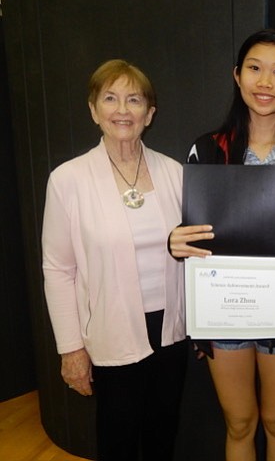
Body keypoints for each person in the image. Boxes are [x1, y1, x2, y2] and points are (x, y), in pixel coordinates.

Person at [168, 28, 275, 461]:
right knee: (239, 422)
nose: (265, 82)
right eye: (255, 69)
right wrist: (175, 241)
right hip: (224, 307)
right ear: (237, 76)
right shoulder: (207, 149)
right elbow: (189, 231)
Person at [41, 59, 188, 461]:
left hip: (171, 329)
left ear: (149, 114)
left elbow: (195, 253)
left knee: (163, 429)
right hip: (111, 328)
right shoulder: (68, 180)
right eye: (110, 98)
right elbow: (58, 269)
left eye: (134, 100)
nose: (122, 110)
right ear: (93, 110)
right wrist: (71, 348)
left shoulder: (174, 172)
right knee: (117, 436)